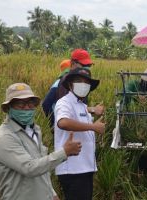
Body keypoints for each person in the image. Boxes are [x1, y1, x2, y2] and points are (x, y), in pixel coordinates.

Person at [0, 83, 82, 200]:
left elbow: (42, 165)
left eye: (30, 103)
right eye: (20, 104)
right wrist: (64, 152)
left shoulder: (35, 130)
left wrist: (52, 193)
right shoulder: (3, 137)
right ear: (8, 108)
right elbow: (29, 167)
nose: (26, 107)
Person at [54, 67, 105, 200]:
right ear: (70, 84)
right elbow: (63, 122)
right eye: (78, 81)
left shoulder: (81, 105)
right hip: (72, 169)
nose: (83, 85)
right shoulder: (64, 103)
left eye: (86, 82)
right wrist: (93, 127)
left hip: (84, 167)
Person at [42, 59, 71, 129]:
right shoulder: (58, 83)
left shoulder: (71, 84)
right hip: (60, 123)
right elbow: (46, 104)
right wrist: (53, 122)